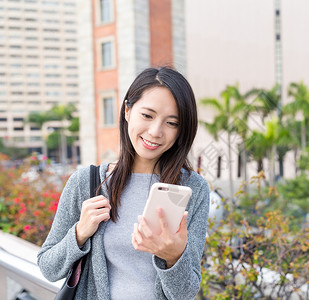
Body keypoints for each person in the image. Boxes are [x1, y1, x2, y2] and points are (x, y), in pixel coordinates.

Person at [37, 67, 210, 300]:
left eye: (172, 123)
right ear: (128, 110)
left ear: (182, 130)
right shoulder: (85, 183)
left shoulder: (194, 189)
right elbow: (48, 267)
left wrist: (173, 256)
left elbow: (185, 293)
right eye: (147, 116)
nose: (156, 131)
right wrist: (79, 233)